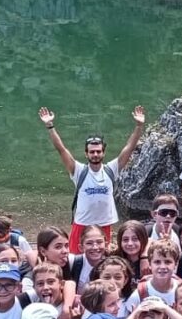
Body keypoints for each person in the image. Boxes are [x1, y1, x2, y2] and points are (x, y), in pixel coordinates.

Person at [39, 104, 146, 251]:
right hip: (82, 224)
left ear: (103, 153)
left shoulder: (111, 169)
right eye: (92, 152)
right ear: (86, 154)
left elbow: (129, 148)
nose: (95, 154)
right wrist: (50, 126)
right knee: (75, 258)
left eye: (98, 151)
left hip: (104, 224)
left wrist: (139, 126)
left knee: (101, 257)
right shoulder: (78, 171)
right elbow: (61, 149)